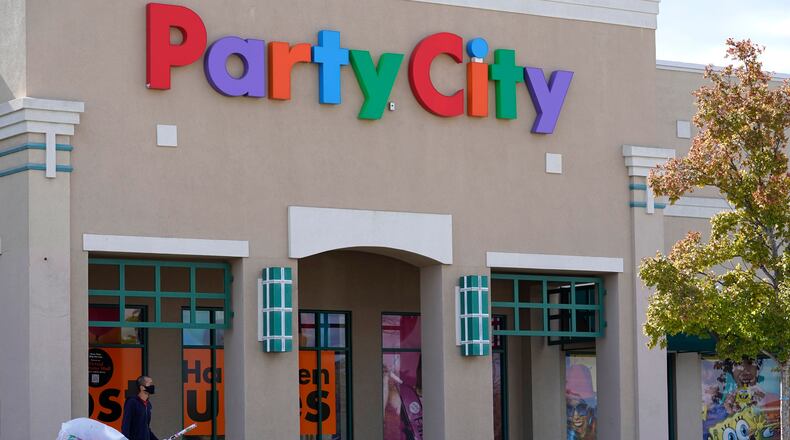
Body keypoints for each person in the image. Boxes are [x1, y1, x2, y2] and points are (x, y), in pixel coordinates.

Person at [121, 375, 159, 440]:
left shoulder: (148, 405)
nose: (152, 386)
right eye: (150, 384)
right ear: (142, 388)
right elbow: (126, 425)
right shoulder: (132, 402)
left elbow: (146, 428)